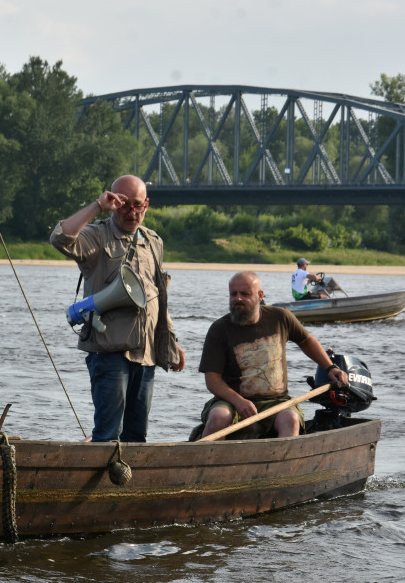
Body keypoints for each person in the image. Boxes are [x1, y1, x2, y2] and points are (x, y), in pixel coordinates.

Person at [49, 174, 186, 443]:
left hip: (146, 355)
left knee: (136, 436)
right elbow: (60, 238)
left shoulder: (154, 241)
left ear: (147, 204)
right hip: (110, 353)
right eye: (124, 204)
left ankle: (126, 483)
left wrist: (171, 341)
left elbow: (158, 295)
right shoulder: (97, 236)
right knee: (108, 434)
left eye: (137, 204)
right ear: (114, 203)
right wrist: (97, 206)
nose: (131, 212)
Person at [198, 271, 348, 439]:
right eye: (233, 294)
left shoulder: (280, 317)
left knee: (291, 419)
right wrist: (238, 401)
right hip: (231, 401)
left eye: (245, 294)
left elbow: (306, 341)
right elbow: (212, 380)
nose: (237, 299)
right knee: (219, 417)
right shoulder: (219, 329)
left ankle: (283, 464)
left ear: (260, 295)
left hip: (276, 401)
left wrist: (330, 367)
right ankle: (205, 462)